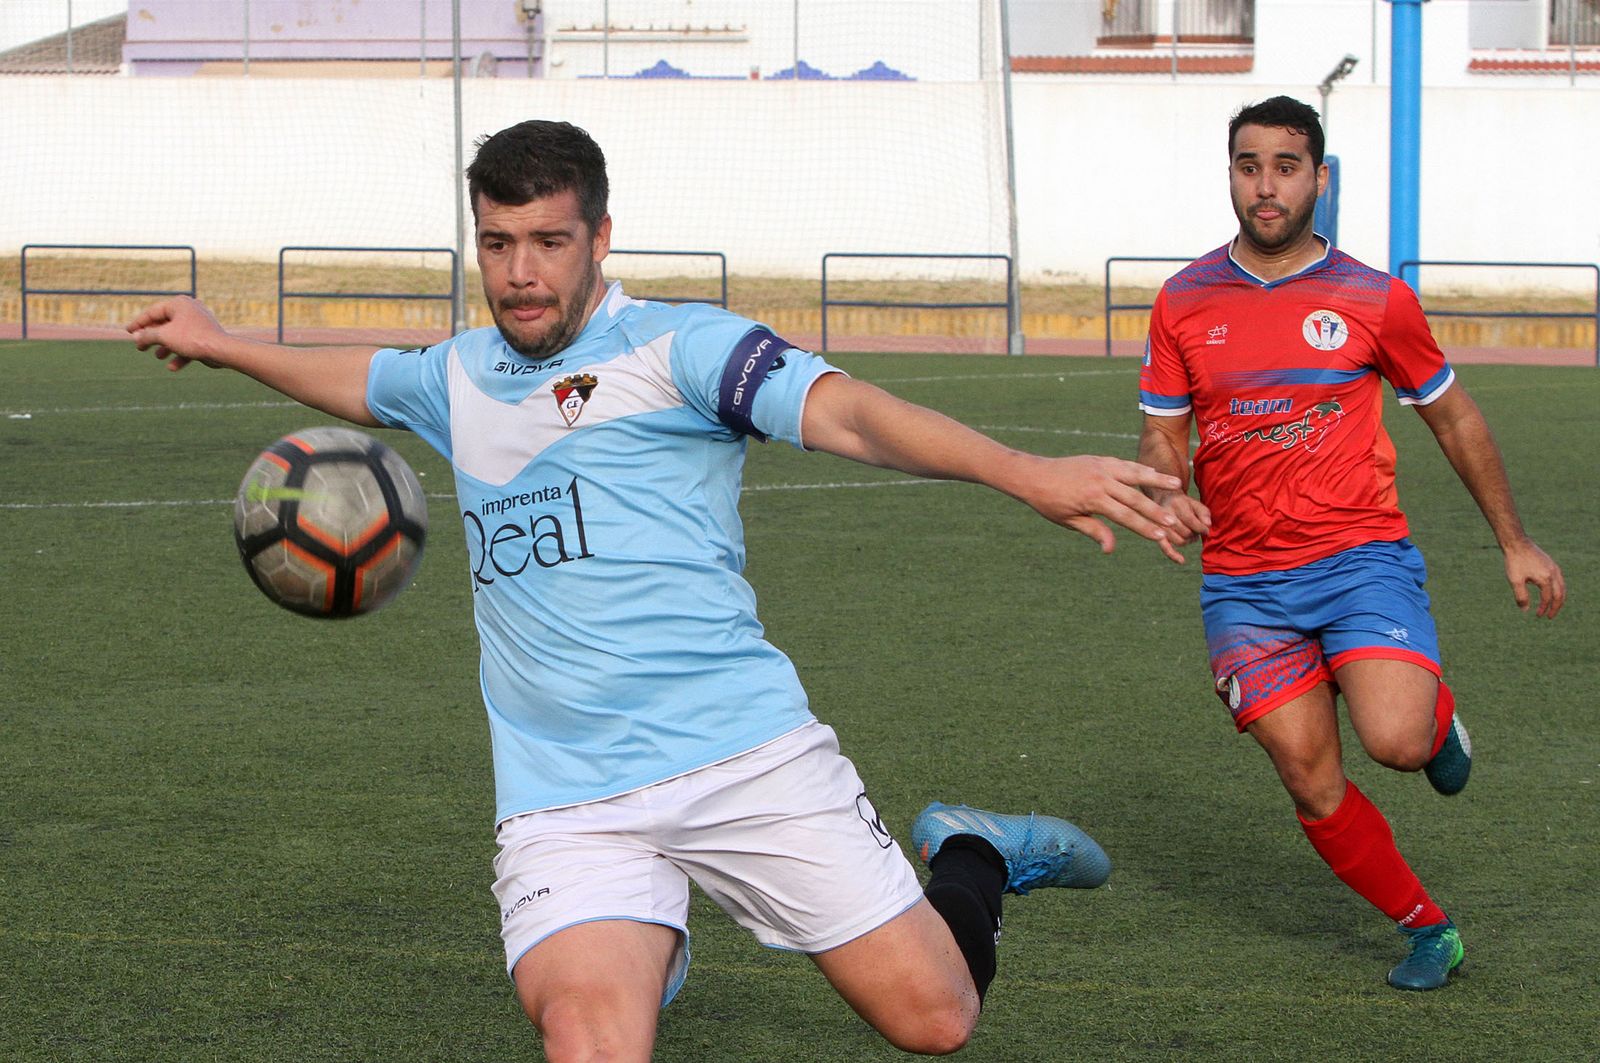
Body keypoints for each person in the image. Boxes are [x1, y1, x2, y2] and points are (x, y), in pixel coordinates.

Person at [130, 119, 1189, 1059]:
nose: (520, 273)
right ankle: (641, 936)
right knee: (591, 1038)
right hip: (566, 797)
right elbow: (360, 380)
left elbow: (850, 414)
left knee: (935, 1018)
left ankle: (969, 851)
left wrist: (1024, 471)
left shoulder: (682, 348)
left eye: (548, 241)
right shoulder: (457, 375)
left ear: (598, 238)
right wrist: (221, 344)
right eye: (497, 244)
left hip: (738, 755)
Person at [1136, 96, 1566, 992]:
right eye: (1249, 165)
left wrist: (1514, 540)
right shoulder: (1181, 301)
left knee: (1398, 742)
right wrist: (1167, 489)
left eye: (1287, 167)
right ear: (1230, 175)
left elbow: (1451, 416)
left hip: (1358, 559)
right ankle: (1428, 927)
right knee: (1308, 777)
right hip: (1245, 583)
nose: (1267, 185)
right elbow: (1162, 433)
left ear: (1319, 180)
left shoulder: (1373, 297)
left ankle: (1439, 721)